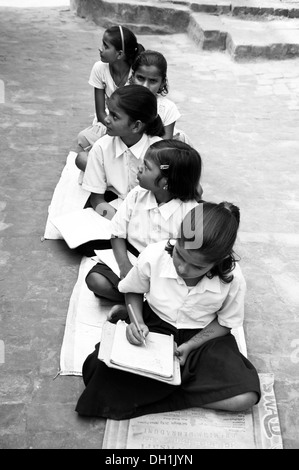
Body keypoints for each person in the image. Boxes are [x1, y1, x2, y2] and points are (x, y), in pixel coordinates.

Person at [75, 202, 261, 419]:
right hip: (154, 328)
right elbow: (133, 291)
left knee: (246, 396)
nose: (182, 268)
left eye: (197, 266)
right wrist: (137, 321)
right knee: (94, 369)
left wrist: (190, 346)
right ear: (177, 239)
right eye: (180, 255)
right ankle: (187, 393)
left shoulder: (233, 278)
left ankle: (153, 393)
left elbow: (224, 323)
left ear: (219, 261)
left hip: (202, 341)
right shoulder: (155, 255)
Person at [85, 139, 203, 303]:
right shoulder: (136, 194)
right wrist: (124, 266)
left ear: (165, 182)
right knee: (96, 281)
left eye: (147, 167)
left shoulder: (192, 213)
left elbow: (190, 259)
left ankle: (142, 305)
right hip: (132, 258)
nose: (139, 168)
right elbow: (117, 234)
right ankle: (146, 305)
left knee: (180, 295)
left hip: (167, 271)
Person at [75, 84, 164, 256]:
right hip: (117, 206)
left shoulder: (157, 148)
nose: (106, 119)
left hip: (151, 208)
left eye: (114, 116)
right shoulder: (101, 147)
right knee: (83, 243)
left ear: (136, 126)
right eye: (108, 113)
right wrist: (121, 221)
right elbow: (97, 200)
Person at [75, 25, 144, 155]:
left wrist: (125, 132)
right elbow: (101, 113)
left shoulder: (137, 74)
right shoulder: (99, 68)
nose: (100, 49)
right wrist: (115, 129)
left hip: (130, 126)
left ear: (119, 54)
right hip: (108, 122)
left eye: (106, 46)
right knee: (83, 138)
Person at [131, 50, 193, 144]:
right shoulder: (123, 102)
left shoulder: (167, 108)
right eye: (140, 78)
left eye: (152, 81)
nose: (145, 86)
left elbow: (164, 148)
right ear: (132, 76)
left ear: (162, 83)